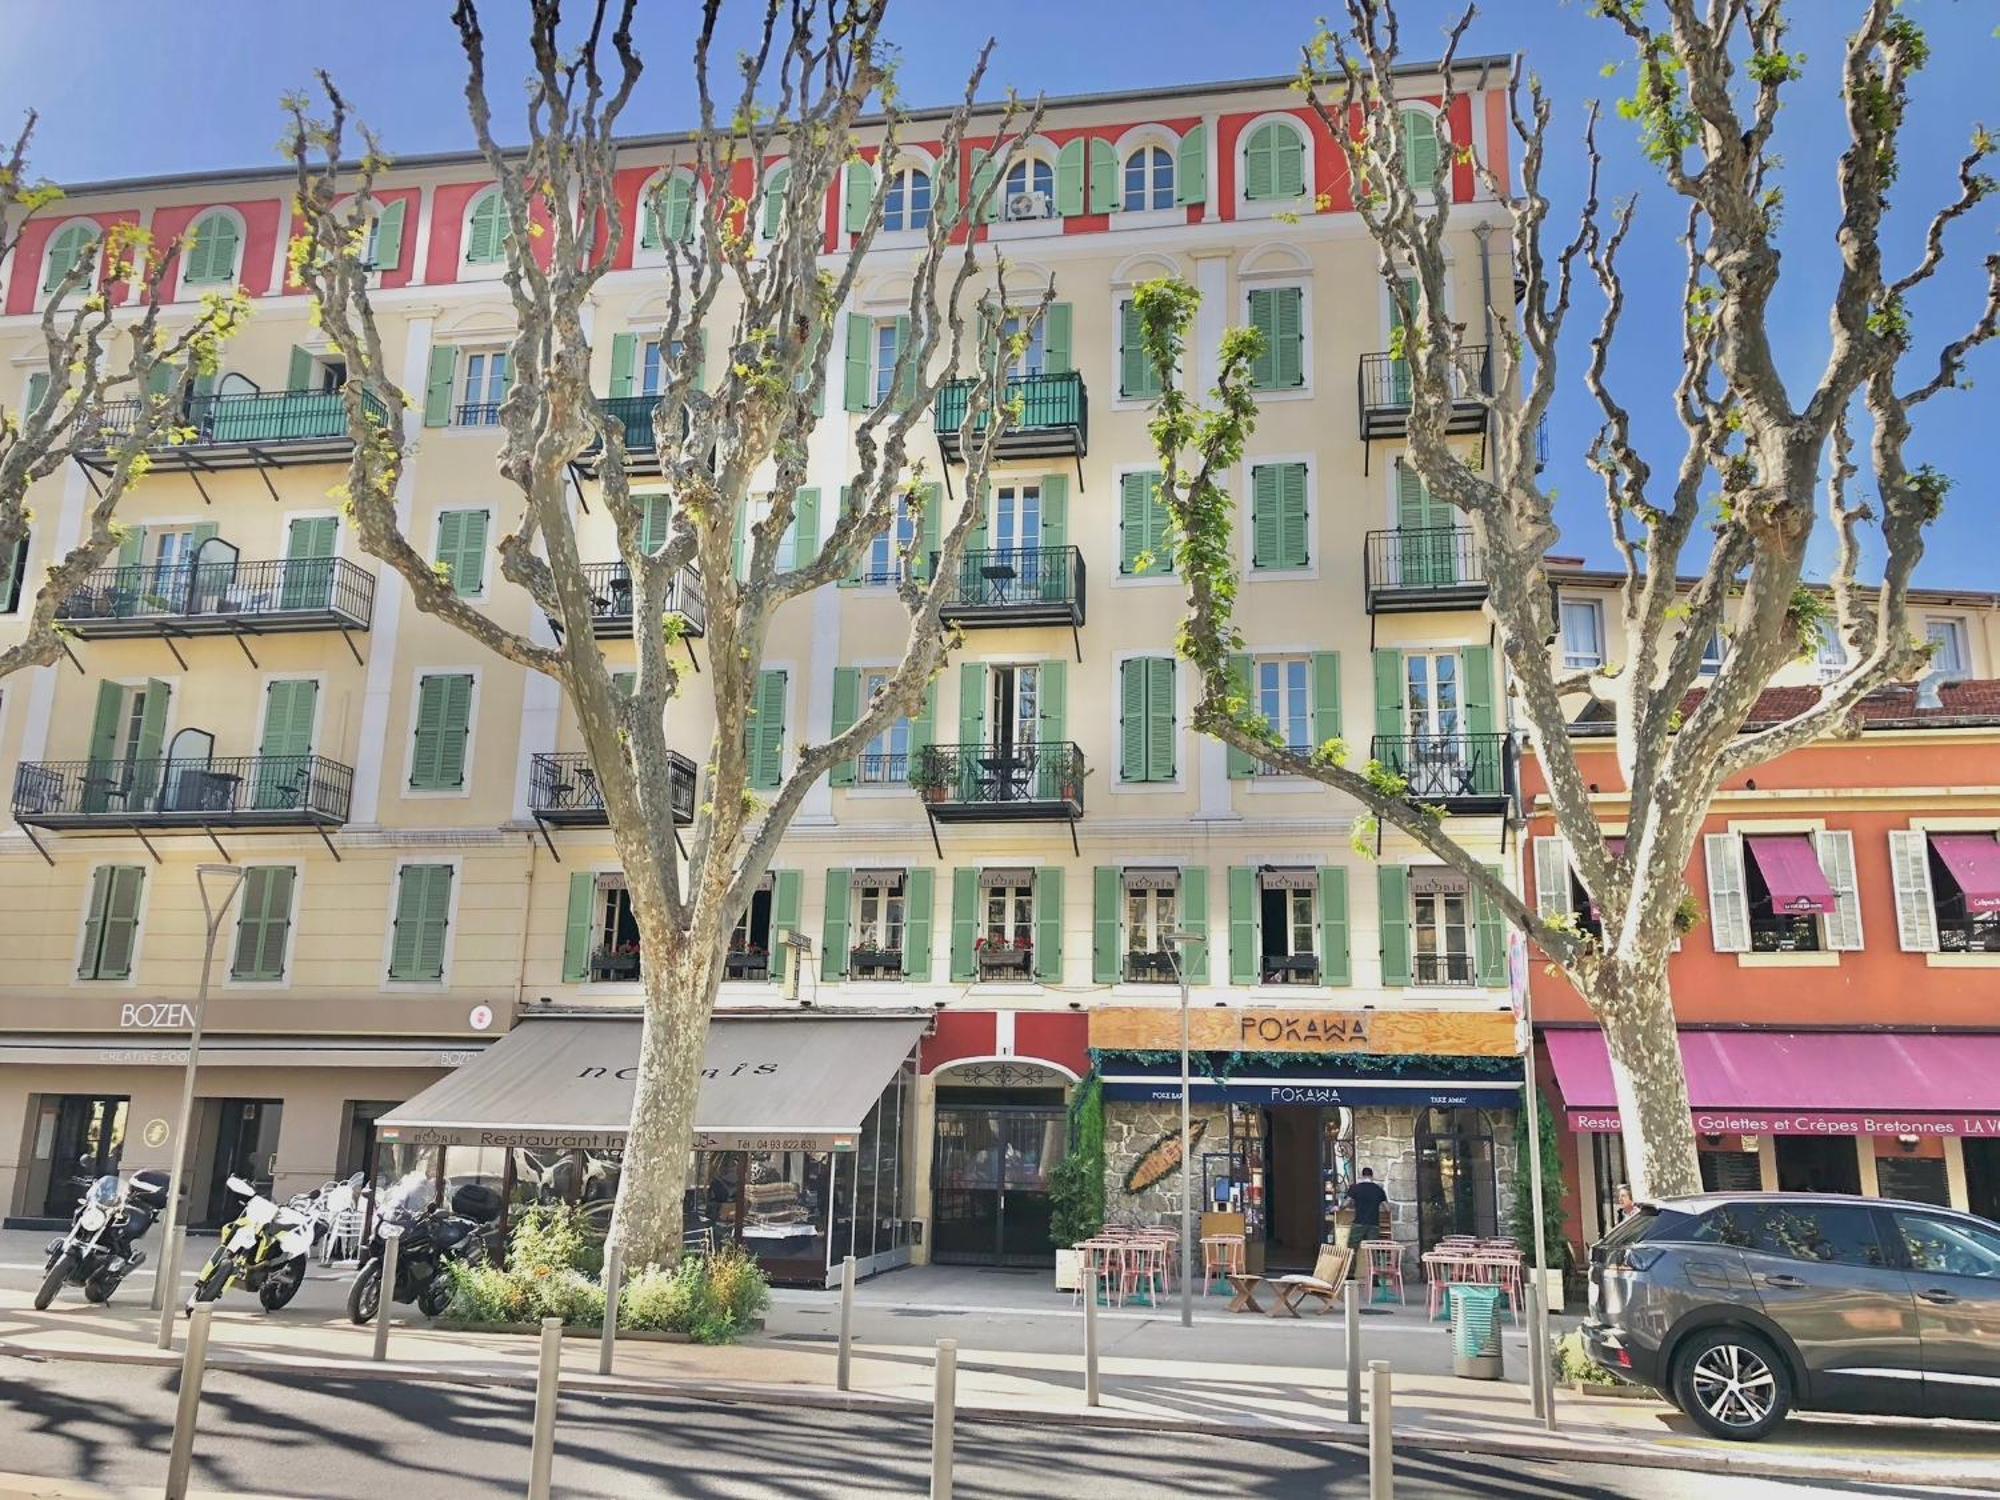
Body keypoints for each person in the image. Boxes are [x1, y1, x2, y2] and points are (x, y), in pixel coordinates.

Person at [1343, 1167, 1388, 1251]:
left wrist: (1339, 1208)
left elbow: (1346, 1203)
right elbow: (1387, 1209)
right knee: (1372, 1250)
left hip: (1359, 1222)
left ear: (1362, 1176)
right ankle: (1370, 1264)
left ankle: (1353, 1263)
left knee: (1352, 1248)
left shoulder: (1355, 1188)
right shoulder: (1379, 1190)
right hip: (1374, 1224)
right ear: (1372, 1176)